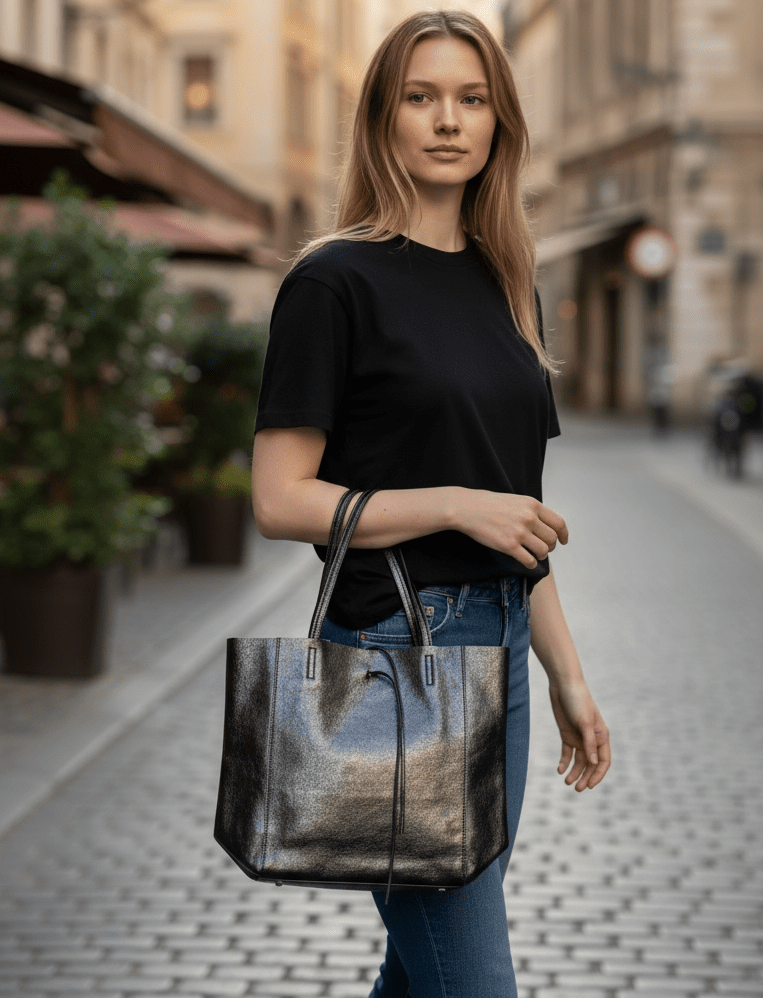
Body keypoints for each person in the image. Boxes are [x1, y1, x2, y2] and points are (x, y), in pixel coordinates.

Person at [250, 10, 611, 997]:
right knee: (469, 979)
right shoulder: (333, 281)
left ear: (499, 122)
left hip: (498, 646)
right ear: (382, 119)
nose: (446, 120)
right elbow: (278, 498)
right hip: (397, 658)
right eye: (420, 97)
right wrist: (455, 502)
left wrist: (568, 675)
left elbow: (519, 518)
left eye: (470, 97)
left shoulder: (509, 286)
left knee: (421, 975)